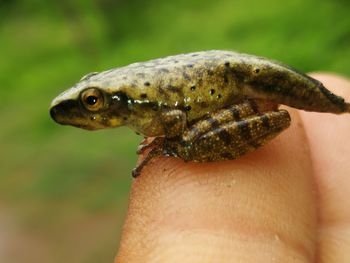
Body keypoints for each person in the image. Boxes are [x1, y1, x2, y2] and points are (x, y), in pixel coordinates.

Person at [115, 74, 350, 263]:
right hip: (242, 88)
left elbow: (175, 119)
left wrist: (170, 145)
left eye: (92, 101)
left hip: (245, 93)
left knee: (188, 145)